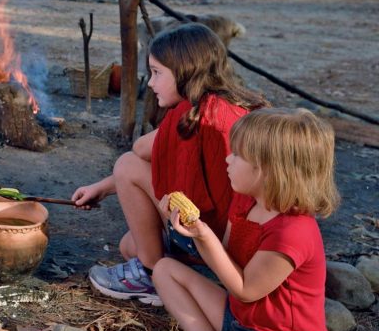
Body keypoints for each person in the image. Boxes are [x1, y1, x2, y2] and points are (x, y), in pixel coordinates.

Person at [72, 23, 267, 305]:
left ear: (186, 71)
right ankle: (180, 275)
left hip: (219, 242)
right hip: (246, 244)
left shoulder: (194, 116)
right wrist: (101, 188)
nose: (150, 83)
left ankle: (151, 276)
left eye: (157, 73)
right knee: (131, 244)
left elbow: (139, 151)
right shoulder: (235, 103)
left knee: (127, 164)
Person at [153, 108, 339, 331]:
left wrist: (203, 235)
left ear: (268, 169)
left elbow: (245, 289)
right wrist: (186, 230)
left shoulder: (293, 232)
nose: (228, 159)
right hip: (239, 318)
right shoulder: (245, 199)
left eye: (238, 155)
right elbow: (226, 258)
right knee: (164, 269)